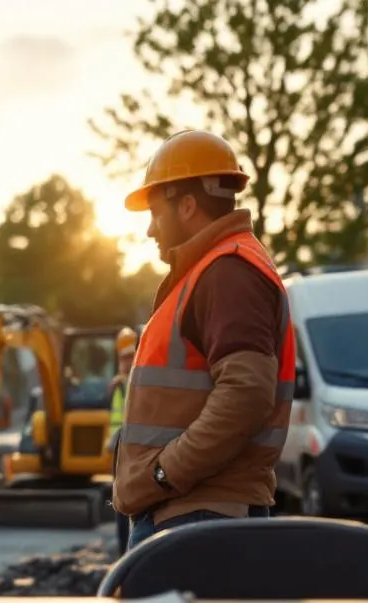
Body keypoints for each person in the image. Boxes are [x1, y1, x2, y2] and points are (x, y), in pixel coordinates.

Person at [112, 128, 296, 551]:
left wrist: (163, 474)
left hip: (198, 513)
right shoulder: (212, 271)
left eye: (156, 213)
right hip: (191, 510)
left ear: (189, 206)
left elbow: (246, 395)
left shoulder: (228, 272)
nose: (150, 230)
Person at [107, 330, 136, 555]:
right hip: (119, 448)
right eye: (123, 357)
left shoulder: (138, 379)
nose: (126, 361)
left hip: (133, 447)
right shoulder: (118, 385)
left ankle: (131, 550)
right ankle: (123, 552)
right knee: (121, 503)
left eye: (130, 356)